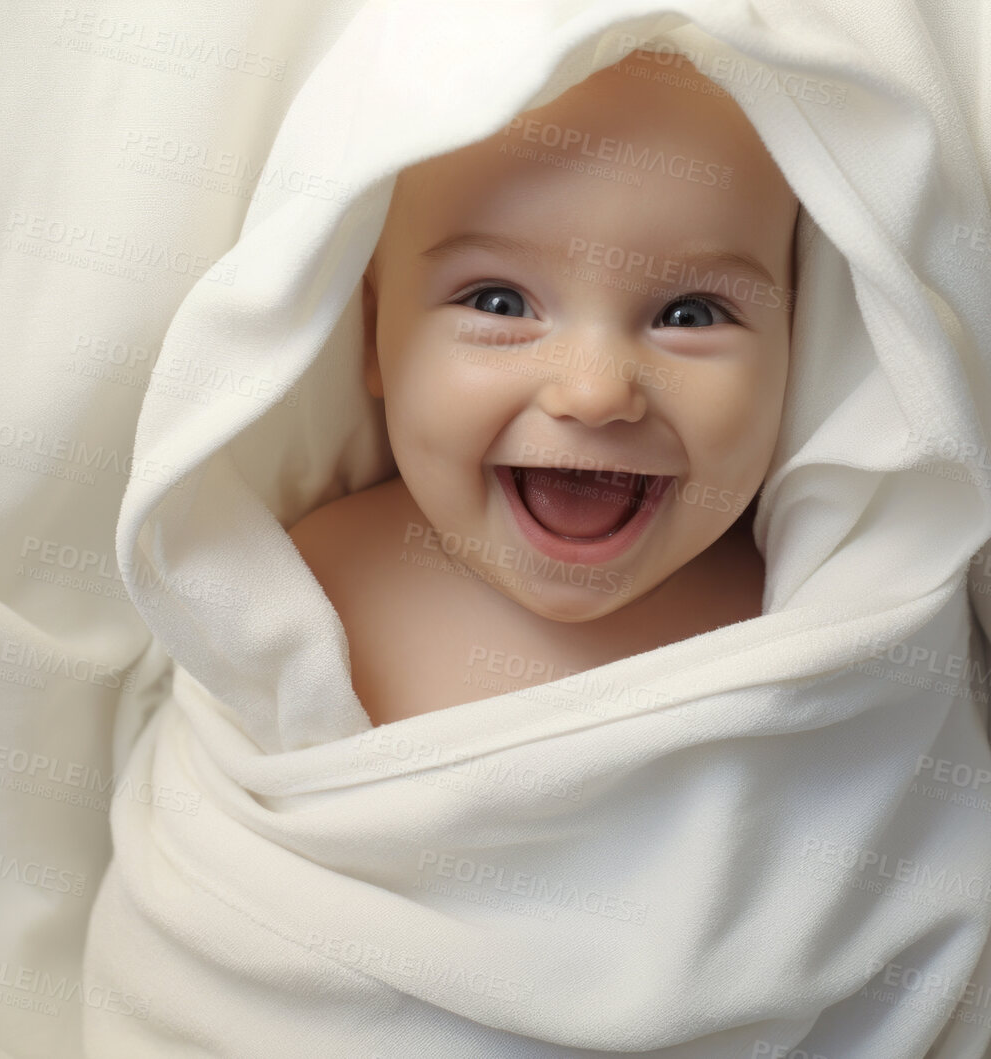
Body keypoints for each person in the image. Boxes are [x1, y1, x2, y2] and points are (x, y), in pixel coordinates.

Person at [287, 47, 801, 727]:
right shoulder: (315, 587)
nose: (594, 393)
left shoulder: (798, 616)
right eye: (498, 304)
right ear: (373, 333)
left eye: (690, 315)